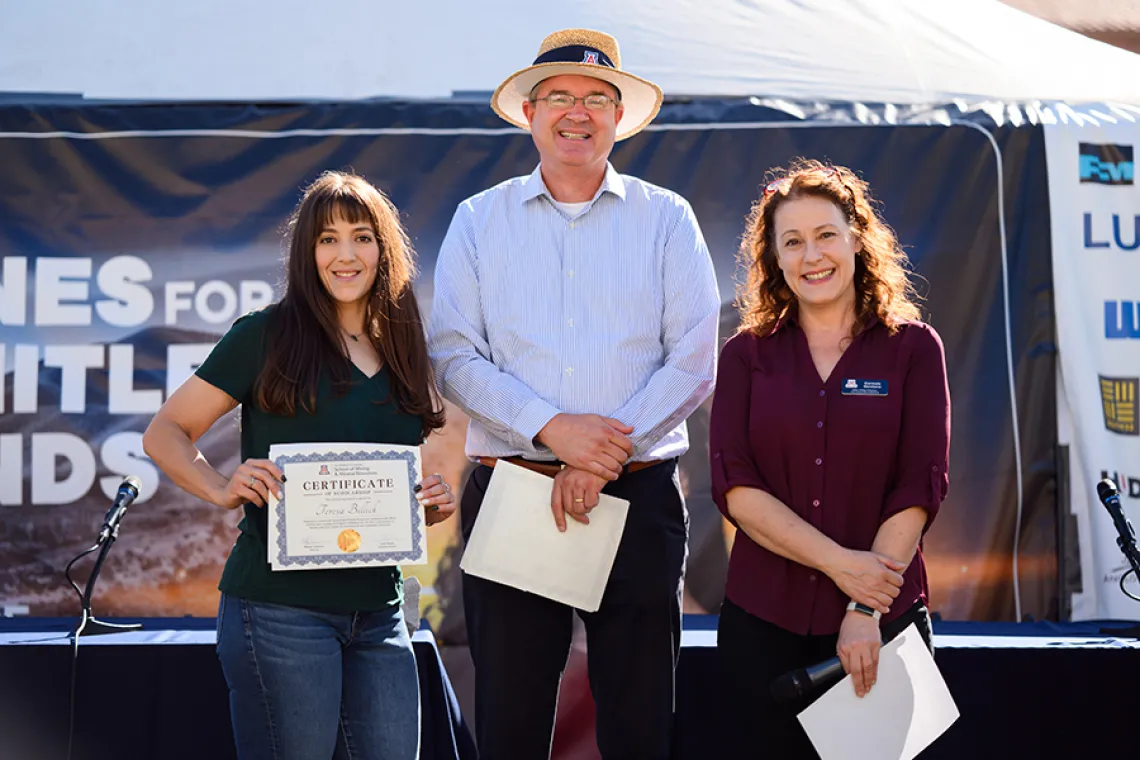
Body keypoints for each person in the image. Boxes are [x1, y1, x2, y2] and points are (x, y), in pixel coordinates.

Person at [428, 28, 720, 760]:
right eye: (558, 95)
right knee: (512, 721)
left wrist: (599, 458)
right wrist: (555, 432)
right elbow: (453, 356)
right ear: (530, 111)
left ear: (620, 115)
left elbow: (693, 360)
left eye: (597, 97)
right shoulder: (478, 220)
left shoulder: (666, 218)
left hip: (640, 494)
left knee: (640, 719)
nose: (577, 112)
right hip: (515, 487)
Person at [142, 171, 456, 760]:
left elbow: (389, 473)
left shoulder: (405, 344)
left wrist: (424, 506)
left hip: (381, 614)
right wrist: (219, 487)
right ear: (306, 252)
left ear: (384, 248)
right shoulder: (266, 335)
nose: (345, 254)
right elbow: (166, 433)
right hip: (279, 613)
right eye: (327, 239)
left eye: (362, 237)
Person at [710, 160, 951, 757]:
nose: (811, 255)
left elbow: (920, 487)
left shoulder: (914, 348)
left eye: (825, 235)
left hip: (884, 619)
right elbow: (736, 488)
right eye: (792, 241)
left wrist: (864, 605)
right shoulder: (744, 356)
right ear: (773, 258)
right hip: (762, 622)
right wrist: (843, 566)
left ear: (856, 240)